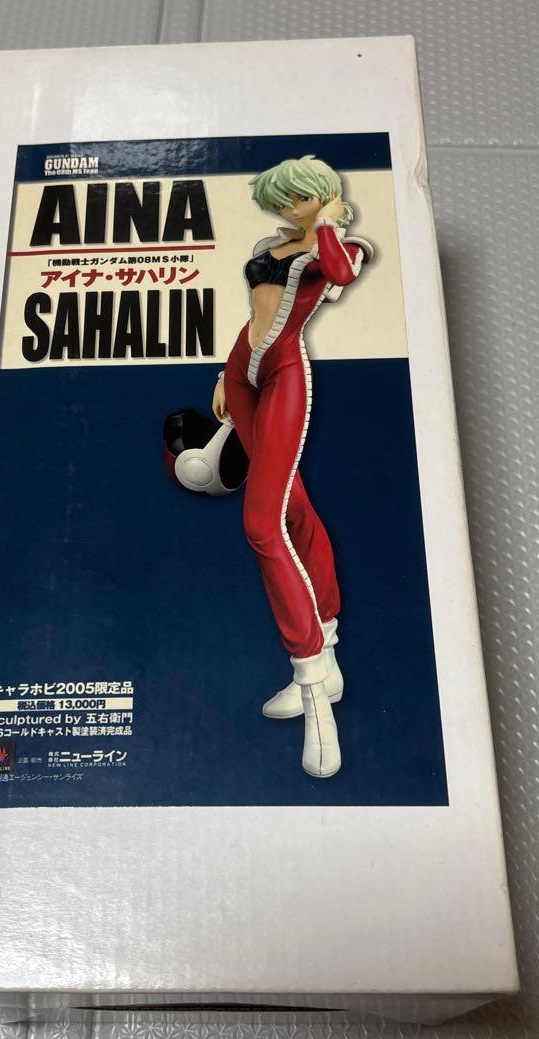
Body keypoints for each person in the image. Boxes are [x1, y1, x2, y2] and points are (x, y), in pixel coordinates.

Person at [212, 155, 373, 779]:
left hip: (284, 379)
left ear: (320, 197)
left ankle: (312, 688)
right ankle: (327, 664)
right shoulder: (272, 245)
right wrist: (225, 373)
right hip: (243, 377)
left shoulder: (339, 247)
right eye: (278, 201)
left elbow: (339, 272)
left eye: (296, 200)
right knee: (295, 511)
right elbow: (256, 315)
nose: (284, 210)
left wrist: (328, 222)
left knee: (262, 526)